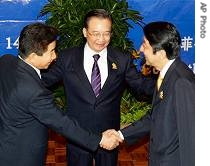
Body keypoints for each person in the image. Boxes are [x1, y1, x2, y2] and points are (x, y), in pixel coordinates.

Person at [41, 9, 155, 166]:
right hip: (78, 135)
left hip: (109, 135)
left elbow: (141, 85)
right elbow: (44, 82)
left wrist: (167, 85)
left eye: (106, 33)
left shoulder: (122, 59)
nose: (101, 39)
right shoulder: (67, 58)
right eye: (96, 33)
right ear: (84, 32)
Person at [0, 22, 122, 166]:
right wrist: (100, 139)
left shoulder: (6, 61)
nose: (55, 56)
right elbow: (63, 124)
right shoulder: (34, 92)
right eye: (51, 51)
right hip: (21, 156)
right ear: (33, 55)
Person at [109, 21, 195, 166]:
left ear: (161, 52)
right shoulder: (166, 75)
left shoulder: (181, 82)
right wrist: (121, 135)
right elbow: (155, 117)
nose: (141, 49)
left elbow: (190, 136)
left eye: (145, 45)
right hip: (160, 158)